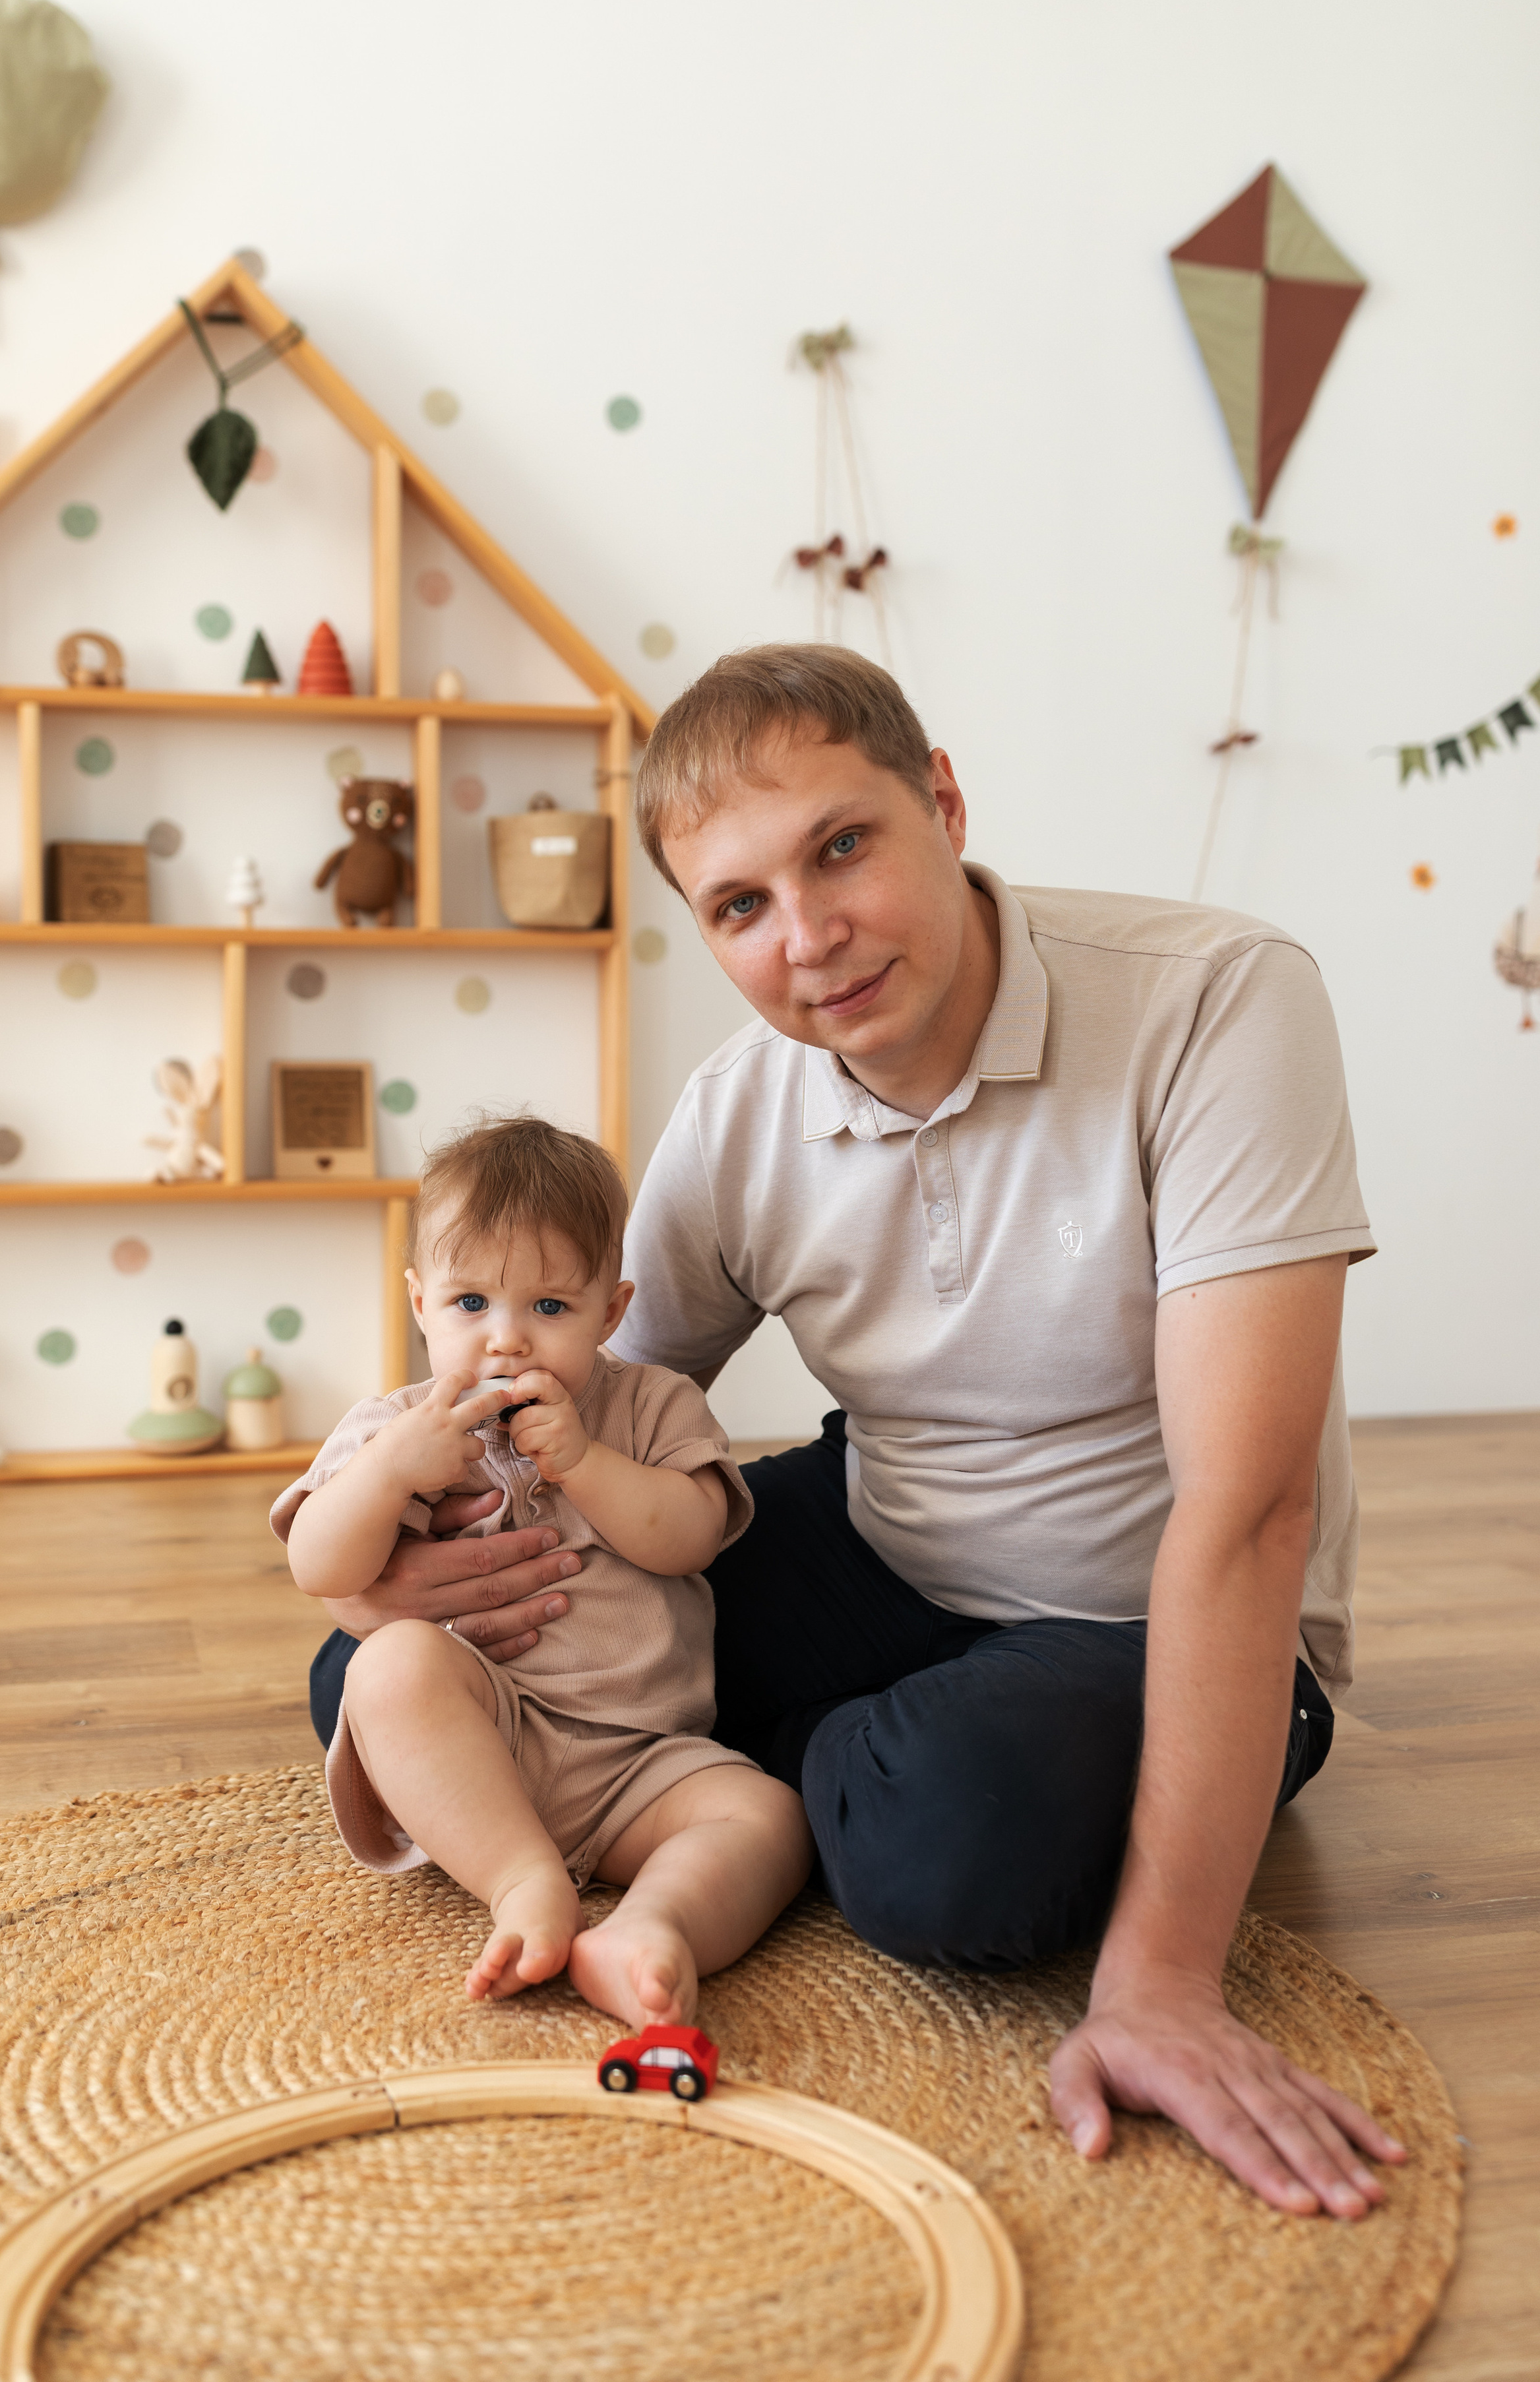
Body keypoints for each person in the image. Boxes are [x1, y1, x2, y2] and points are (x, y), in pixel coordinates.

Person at [305, 643, 1406, 2223]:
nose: (806, 939)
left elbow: (1248, 1511)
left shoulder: (1217, 1001)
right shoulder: (744, 1108)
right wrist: (393, 1580)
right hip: (885, 1540)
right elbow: (572, 1391)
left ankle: (782, 1788)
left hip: (1130, 1603)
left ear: (940, 804)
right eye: (738, 907)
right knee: (379, 1680)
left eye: (841, 848)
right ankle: (744, 1795)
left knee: (941, 1857)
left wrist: (1158, 1982)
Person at [276, 1113, 811, 2027]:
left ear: (612, 1309)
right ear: (419, 1305)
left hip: (643, 1760)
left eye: (550, 1308)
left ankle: (652, 1927)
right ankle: (521, 1880)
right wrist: (393, 1474)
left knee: (770, 1819)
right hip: (488, 1741)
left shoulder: (650, 1405)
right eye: (470, 1304)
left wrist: (587, 1464)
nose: (507, 1341)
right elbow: (316, 1561)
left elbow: (690, 1534)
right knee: (389, 1668)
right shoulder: (396, 1426)